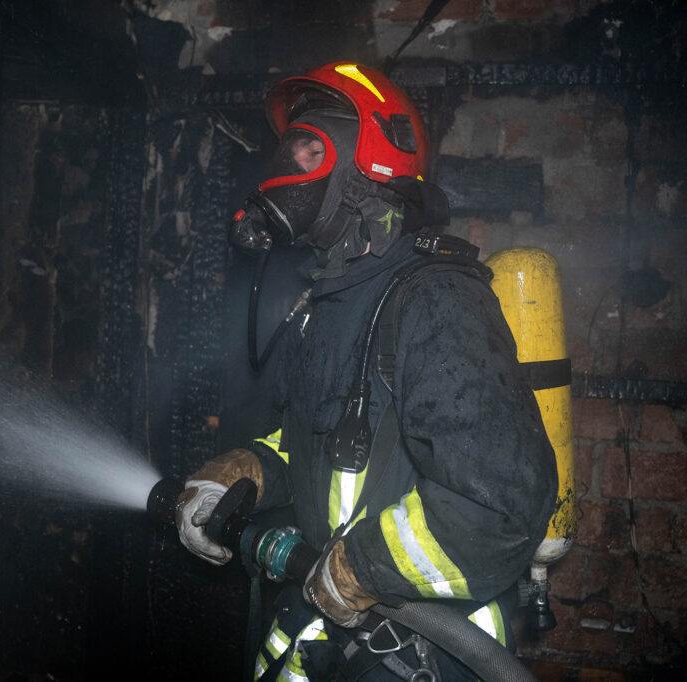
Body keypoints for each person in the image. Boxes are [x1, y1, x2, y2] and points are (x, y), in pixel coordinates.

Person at [176, 62, 558, 681]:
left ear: (367, 167)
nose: (287, 166)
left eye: (309, 150)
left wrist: (365, 567)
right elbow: (325, 446)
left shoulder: (437, 300)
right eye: (287, 149)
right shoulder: (327, 302)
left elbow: (499, 505)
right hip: (329, 641)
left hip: (419, 652)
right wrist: (249, 470)